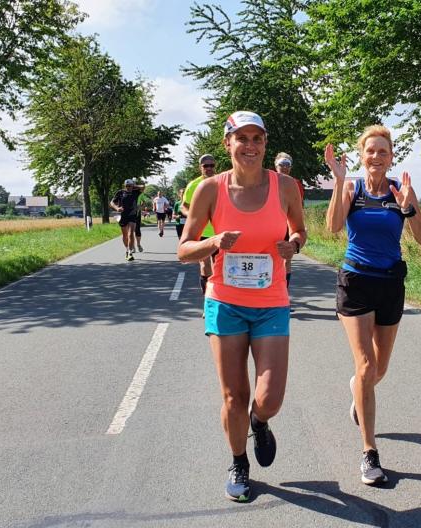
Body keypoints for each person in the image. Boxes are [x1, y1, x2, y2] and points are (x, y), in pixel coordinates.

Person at [177, 111, 306, 502]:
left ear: (265, 144)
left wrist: (294, 245)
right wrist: (213, 242)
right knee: (234, 394)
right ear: (227, 143)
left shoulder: (285, 186)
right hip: (225, 301)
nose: (250, 146)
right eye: (242, 138)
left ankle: (259, 421)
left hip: (271, 301)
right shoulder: (209, 190)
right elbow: (184, 249)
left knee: (270, 397)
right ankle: (238, 462)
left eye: (257, 139)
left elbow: (300, 230)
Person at [325, 125, 421, 485]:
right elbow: (333, 227)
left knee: (378, 370)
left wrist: (409, 209)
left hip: (390, 284)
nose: (376, 156)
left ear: (391, 157)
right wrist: (339, 181)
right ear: (362, 155)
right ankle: (369, 453)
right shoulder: (352, 188)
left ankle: (359, 388)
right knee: (367, 364)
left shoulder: (401, 190)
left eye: (382, 151)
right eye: (370, 151)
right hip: (355, 282)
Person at [182, 155, 218, 295]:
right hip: (201, 231)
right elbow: (184, 206)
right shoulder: (193, 185)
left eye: (211, 165)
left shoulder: (222, 181)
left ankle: (219, 296)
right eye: (205, 166)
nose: (209, 168)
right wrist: (192, 216)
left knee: (220, 266)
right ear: (200, 168)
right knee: (205, 264)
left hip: (220, 231)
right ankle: (207, 297)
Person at [274, 152, 305, 288]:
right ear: (276, 166)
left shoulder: (296, 183)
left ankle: (284, 292)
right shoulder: (268, 181)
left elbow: (299, 206)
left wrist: (300, 226)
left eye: (288, 164)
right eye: (282, 164)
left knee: (287, 259)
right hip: (272, 224)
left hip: (288, 225)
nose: (285, 167)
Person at [110, 179, 144, 261]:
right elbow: (112, 202)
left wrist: (134, 186)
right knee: (125, 235)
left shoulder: (136, 192)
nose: (128, 187)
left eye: (129, 186)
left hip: (132, 215)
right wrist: (117, 208)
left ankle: (130, 252)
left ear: (132, 186)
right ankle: (127, 249)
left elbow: (143, 187)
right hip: (123, 215)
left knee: (130, 233)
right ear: (124, 186)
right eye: (126, 186)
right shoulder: (120, 192)